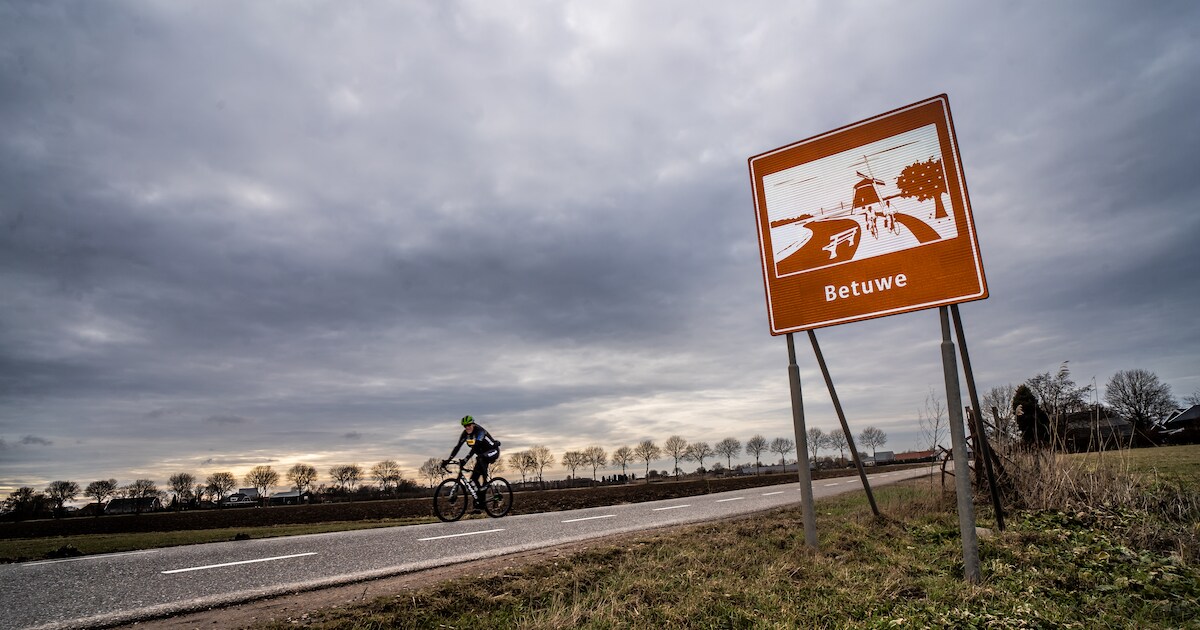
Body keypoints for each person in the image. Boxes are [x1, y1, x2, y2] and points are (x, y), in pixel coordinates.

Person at [444, 415, 501, 491]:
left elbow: (475, 447)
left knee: (480, 458)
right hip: (482, 455)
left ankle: (485, 482)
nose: (467, 427)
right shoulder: (465, 434)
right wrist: (448, 460)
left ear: (473, 424)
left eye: (469, 425)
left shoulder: (480, 431)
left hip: (493, 451)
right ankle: (481, 500)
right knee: (473, 479)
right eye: (465, 426)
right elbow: (457, 447)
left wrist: (466, 459)